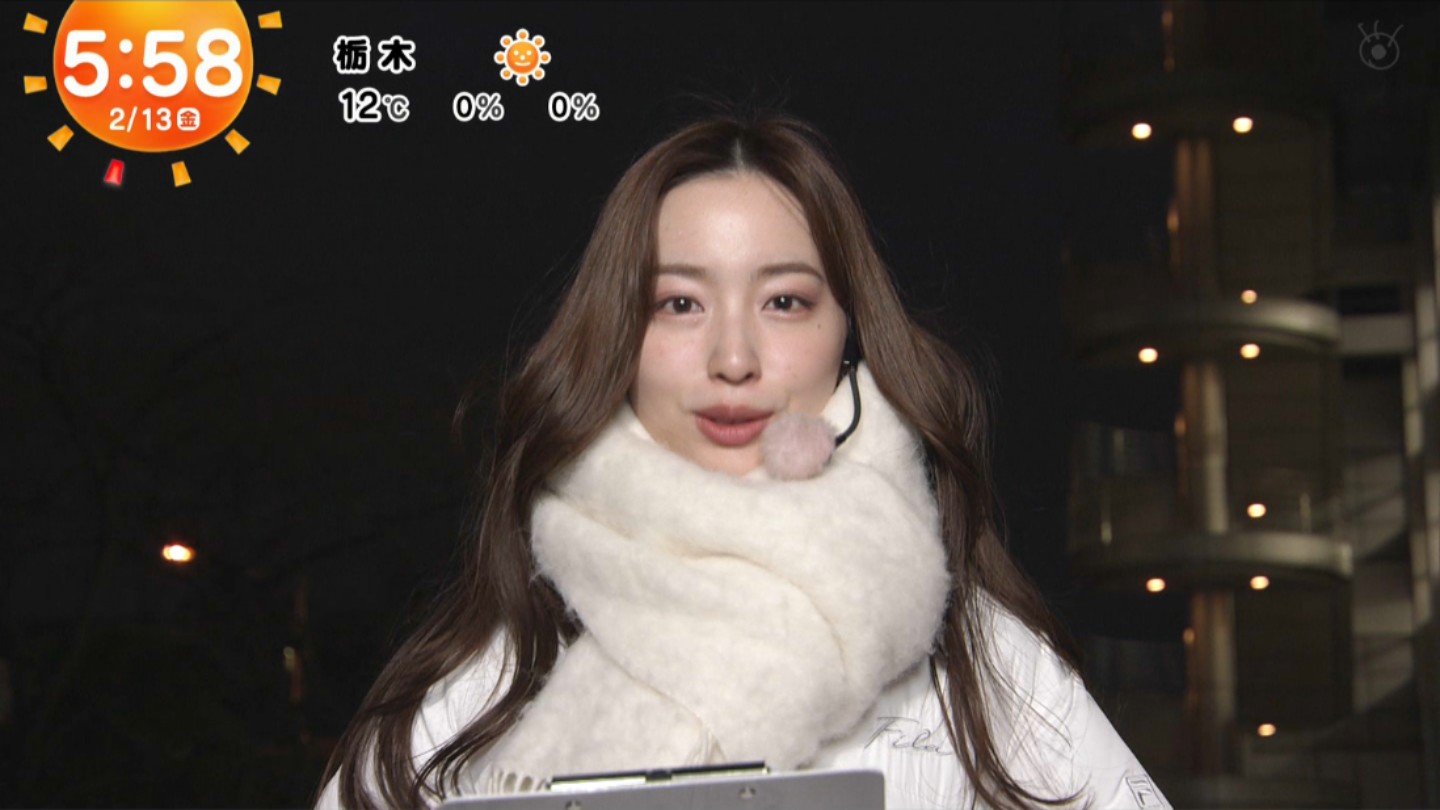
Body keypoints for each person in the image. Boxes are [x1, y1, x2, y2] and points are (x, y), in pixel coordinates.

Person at [316, 112, 1170, 810]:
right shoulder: (474, 694)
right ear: (618, 339)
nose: (734, 358)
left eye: (785, 301)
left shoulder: (991, 676)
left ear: (848, 337)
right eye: (679, 303)